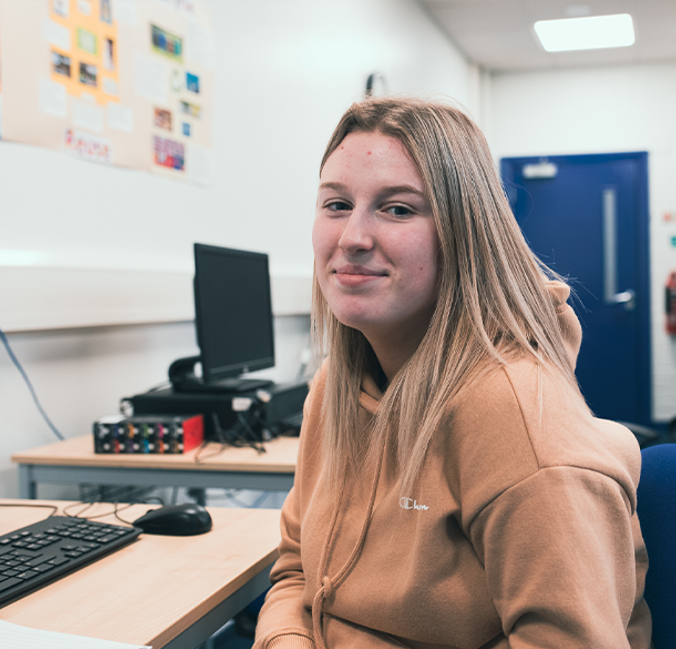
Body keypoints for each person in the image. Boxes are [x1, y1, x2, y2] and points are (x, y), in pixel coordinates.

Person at [253, 96, 652, 649]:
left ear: (465, 235)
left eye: (398, 209)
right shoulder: (334, 390)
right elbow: (297, 571)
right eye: (337, 204)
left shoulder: (515, 414)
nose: (352, 238)